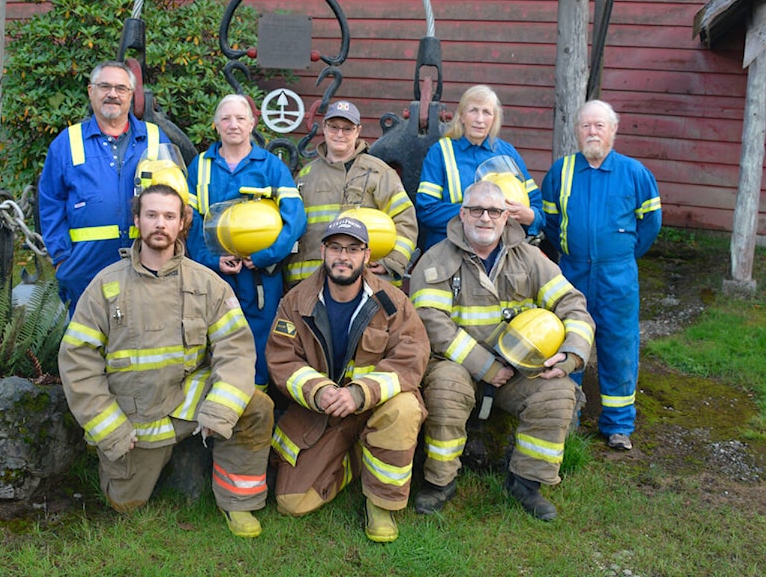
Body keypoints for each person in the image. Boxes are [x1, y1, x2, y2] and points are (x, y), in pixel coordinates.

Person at [58, 184, 274, 537]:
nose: (161, 224)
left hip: (189, 402)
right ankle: (153, 465)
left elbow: (235, 349)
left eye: (169, 216)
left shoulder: (208, 284)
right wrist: (109, 429)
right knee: (125, 504)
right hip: (135, 420)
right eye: (152, 215)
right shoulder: (105, 287)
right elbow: (77, 363)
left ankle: (238, 503)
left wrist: (220, 410)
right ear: (138, 220)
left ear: (182, 224)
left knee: (257, 407)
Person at [410, 180, 595, 520]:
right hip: (457, 365)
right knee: (447, 390)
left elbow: (572, 304)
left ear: (506, 217)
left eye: (494, 211)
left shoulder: (529, 258)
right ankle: (440, 482)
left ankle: (526, 483)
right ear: (463, 214)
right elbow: (430, 322)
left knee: (556, 392)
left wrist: (571, 355)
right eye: (477, 210)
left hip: (518, 368)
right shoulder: (436, 260)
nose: (485, 218)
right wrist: (485, 366)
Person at [266, 217, 429, 542]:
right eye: (336, 248)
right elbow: (282, 359)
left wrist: (361, 393)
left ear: (367, 256)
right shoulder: (296, 303)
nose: (344, 256)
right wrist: (319, 390)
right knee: (291, 503)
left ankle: (382, 506)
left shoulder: (393, 302)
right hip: (324, 414)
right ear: (323, 252)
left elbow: (413, 356)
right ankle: (359, 456)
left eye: (353, 249)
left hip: (377, 408)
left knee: (405, 408)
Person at [541, 100, 662, 452]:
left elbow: (650, 224)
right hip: (572, 271)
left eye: (599, 126)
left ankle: (617, 425)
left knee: (618, 345)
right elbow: (549, 222)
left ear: (613, 130)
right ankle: (567, 416)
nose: (592, 132)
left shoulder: (635, 173)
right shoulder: (561, 172)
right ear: (577, 131)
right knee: (568, 341)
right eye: (586, 126)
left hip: (617, 276)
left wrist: (620, 256)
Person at [186, 95, 307, 389]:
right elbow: (189, 221)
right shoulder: (200, 166)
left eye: (240, 118)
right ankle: (218, 404)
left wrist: (267, 255)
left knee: (260, 342)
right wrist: (211, 260)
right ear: (215, 125)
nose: (233, 125)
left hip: (259, 277)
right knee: (212, 339)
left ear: (252, 124)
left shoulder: (271, 167)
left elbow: (296, 219)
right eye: (226, 118)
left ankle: (257, 406)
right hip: (214, 274)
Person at [38, 60, 172, 315]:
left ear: (131, 95)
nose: (113, 94)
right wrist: (63, 259)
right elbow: (50, 203)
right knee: (87, 345)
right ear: (91, 91)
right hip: (85, 267)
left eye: (121, 88)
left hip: (146, 259)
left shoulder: (155, 138)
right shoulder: (67, 143)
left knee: (146, 337)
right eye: (105, 86)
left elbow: (176, 198)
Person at [284, 100, 417, 286]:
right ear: (324, 127)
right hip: (310, 283)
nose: (340, 134)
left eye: (347, 128)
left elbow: (405, 220)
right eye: (334, 127)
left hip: (366, 282)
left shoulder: (379, 173)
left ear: (358, 131)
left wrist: (392, 261)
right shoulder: (306, 175)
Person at [415, 84, 544, 250]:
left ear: (494, 118)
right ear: (461, 116)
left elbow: (537, 209)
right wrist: (477, 215)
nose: (480, 119)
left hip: (502, 253)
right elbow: (427, 210)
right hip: (451, 250)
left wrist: (530, 216)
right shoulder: (441, 152)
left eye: (487, 112)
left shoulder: (508, 153)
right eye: (473, 111)